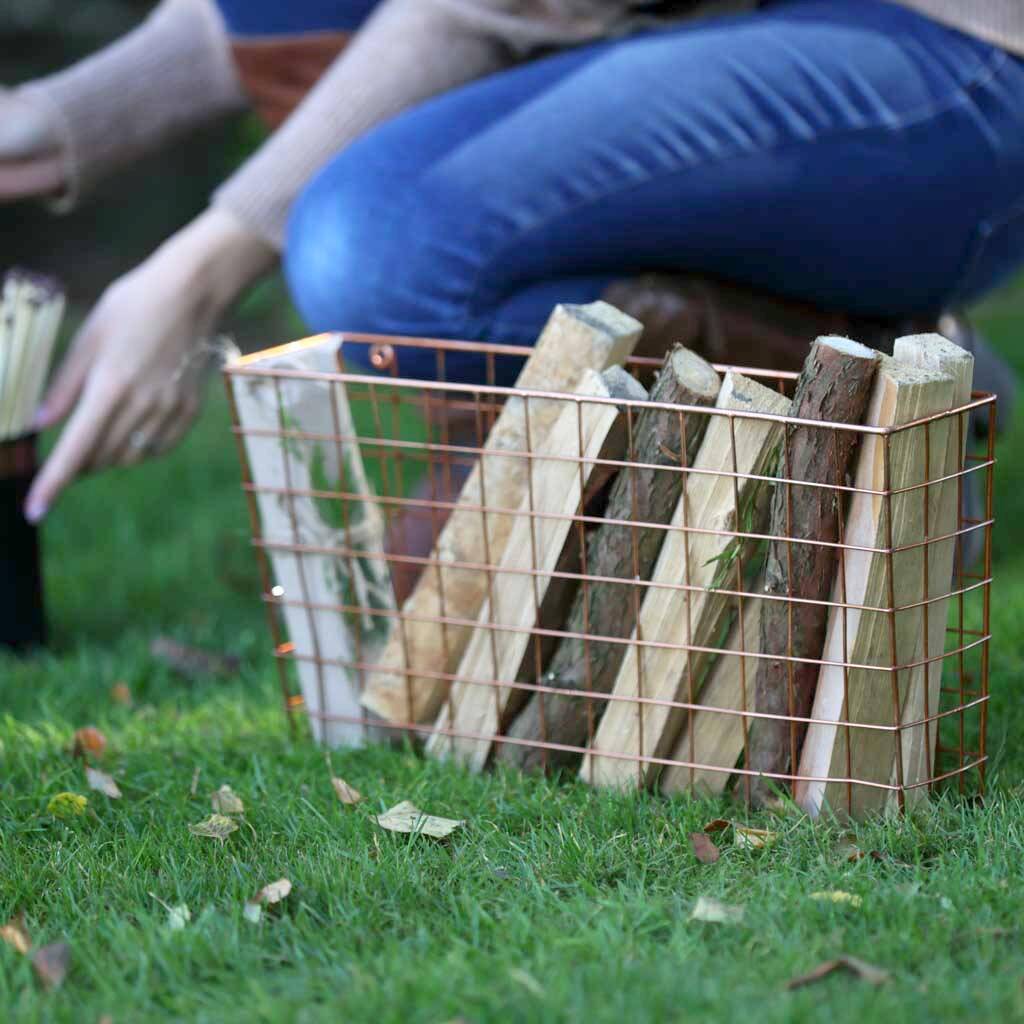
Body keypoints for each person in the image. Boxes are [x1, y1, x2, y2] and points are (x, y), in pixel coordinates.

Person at [3, 0, 1024, 525]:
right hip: (766, 31)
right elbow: (285, 12)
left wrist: (198, 270)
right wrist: (44, 126)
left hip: (959, 60)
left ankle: (885, 386)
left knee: (379, 251)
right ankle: (858, 341)